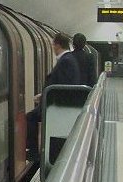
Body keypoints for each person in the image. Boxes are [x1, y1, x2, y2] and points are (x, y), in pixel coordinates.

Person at [26, 33, 81, 162]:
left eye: (53, 45)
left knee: (30, 118)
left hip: (58, 106)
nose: (53, 48)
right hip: (56, 102)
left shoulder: (66, 61)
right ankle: (34, 151)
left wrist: (46, 96)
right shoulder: (69, 59)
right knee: (32, 116)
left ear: (57, 45)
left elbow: (63, 85)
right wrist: (43, 95)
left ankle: (33, 153)